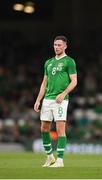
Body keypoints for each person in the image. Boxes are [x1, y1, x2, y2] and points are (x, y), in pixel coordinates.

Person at [34, 35, 77, 168]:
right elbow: (44, 83)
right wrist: (38, 99)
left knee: (60, 129)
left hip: (60, 101)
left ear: (65, 46)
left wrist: (63, 94)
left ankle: (60, 160)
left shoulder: (69, 61)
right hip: (47, 99)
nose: (57, 47)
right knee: (44, 128)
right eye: (55, 45)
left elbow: (74, 81)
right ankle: (50, 157)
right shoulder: (48, 62)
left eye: (59, 45)